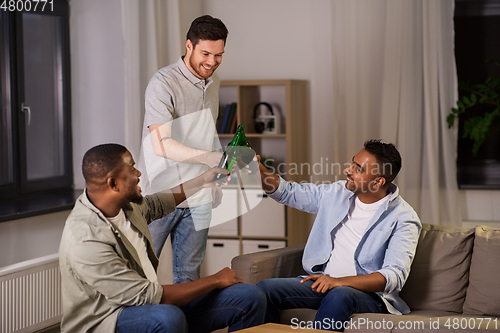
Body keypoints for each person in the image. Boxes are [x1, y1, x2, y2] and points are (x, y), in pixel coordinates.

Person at [59, 144, 265, 333]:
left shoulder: (126, 206)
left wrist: (202, 181)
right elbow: (147, 296)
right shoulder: (85, 238)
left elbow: (159, 202)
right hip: (106, 321)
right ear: (113, 183)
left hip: (147, 307)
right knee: (167, 317)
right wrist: (216, 280)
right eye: (132, 169)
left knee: (249, 297)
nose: (139, 174)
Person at [255, 140, 421, 332]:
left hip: (368, 296)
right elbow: (289, 192)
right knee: (266, 288)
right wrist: (258, 170)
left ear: (378, 182)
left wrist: (338, 281)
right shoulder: (337, 192)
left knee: (340, 294)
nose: (348, 170)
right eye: (353, 163)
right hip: (324, 282)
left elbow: (393, 276)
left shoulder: (404, 218)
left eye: (358, 169)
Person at [137, 15, 228, 284]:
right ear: (189, 46)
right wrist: (212, 158)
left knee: (189, 276)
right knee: (142, 273)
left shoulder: (213, 82)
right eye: (205, 53)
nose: (211, 62)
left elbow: (207, 132)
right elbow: (161, 144)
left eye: (219, 55)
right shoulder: (162, 83)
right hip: (160, 196)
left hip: (198, 195)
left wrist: (216, 181)